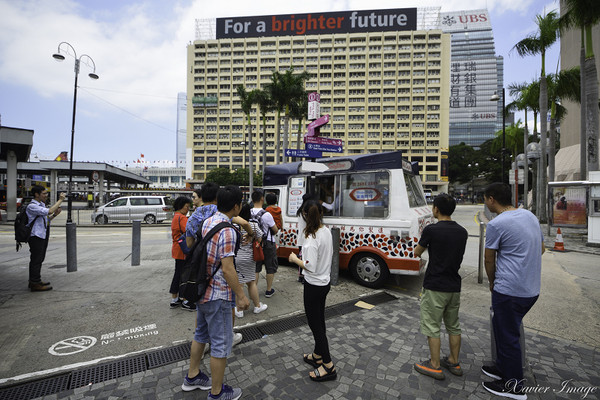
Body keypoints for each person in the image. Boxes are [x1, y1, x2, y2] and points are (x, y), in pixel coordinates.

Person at [181, 185, 250, 400]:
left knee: (201, 334)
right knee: (220, 344)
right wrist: (240, 294)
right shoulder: (228, 230)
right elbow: (227, 267)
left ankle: (193, 377)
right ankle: (217, 393)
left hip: (202, 290)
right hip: (218, 294)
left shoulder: (209, 221)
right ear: (236, 206)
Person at [482, 183, 545, 400]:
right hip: (531, 289)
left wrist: (492, 282)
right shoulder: (530, 216)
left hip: (509, 290)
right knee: (505, 331)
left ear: (491, 199)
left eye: (485, 200)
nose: (486, 204)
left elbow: (489, 259)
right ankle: (502, 368)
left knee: (508, 336)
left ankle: (514, 386)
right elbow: (542, 248)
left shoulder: (496, 224)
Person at [413, 194, 468, 380]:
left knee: (432, 326)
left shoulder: (431, 230)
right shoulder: (462, 232)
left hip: (435, 285)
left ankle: (435, 365)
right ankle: (454, 361)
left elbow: (417, 252)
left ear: (436, 209)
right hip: (454, 286)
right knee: (453, 326)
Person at [186, 183, 253, 337]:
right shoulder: (222, 217)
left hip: (201, 272)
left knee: (201, 327)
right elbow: (244, 223)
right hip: (219, 282)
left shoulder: (196, 217)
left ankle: (202, 348)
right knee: (221, 340)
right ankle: (230, 334)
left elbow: (189, 244)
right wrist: (250, 234)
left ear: (202, 196)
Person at [288, 200, 337, 382]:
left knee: (316, 327)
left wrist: (294, 259)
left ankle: (329, 366)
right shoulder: (326, 231)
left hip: (313, 286)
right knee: (320, 321)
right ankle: (317, 355)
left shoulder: (311, 238)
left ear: (305, 215)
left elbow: (310, 267)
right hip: (324, 283)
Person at [26, 186, 66, 291]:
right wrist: (60, 200)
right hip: (35, 236)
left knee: (39, 259)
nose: (46, 195)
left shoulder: (41, 205)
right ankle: (35, 283)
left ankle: (35, 280)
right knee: (36, 259)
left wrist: (55, 215)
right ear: (37, 195)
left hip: (42, 234)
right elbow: (49, 211)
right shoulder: (32, 206)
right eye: (44, 193)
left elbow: (46, 220)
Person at [233, 203, 268, 318]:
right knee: (251, 282)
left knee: (239, 283)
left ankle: (239, 309)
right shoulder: (253, 225)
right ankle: (257, 306)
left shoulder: (232, 225)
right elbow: (259, 238)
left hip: (236, 257)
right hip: (249, 257)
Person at [251, 189, 278, 298]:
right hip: (268, 243)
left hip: (255, 243)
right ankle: (268, 290)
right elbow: (275, 230)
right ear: (262, 199)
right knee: (270, 266)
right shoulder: (267, 215)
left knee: (256, 268)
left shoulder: (248, 212)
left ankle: (253, 289)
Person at [169, 196, 192, 309]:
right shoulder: (182, 218)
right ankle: (186, 300)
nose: (188, 209)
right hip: (183, 250)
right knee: (185, 275)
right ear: (181, 206)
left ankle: (175, 298)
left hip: (177, 249)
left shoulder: (176, 217)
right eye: (187, 206)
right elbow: (189, 230)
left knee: (178, 273)